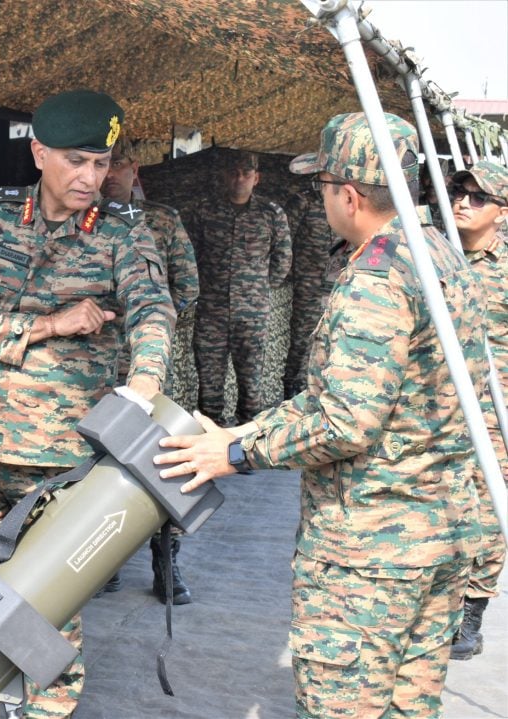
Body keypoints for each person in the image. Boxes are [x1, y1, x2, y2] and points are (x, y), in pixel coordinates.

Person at [155, 112, 488, 717]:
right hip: (440, 533)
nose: (322, 199)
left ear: (350, 194)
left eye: (324, 187)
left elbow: (346, 419)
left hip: (371, 554)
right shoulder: (437, 250)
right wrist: (244, 429)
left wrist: (234, 453)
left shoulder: (377, 279)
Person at [0, 89, 175, 718]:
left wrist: (144, 383)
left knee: (46, 605)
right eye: (75, 161)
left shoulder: (122, 232)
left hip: (57, 460)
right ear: (37, 152)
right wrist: (49, 326)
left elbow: (152, 311)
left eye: (100, 162)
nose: (90, 177)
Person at [98, 134, 198, 604]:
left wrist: (149, 334)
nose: (111, 174)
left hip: (147, 368)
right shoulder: (77, 221)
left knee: (160, 462)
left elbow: (188, 286)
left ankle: (165, 560)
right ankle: (103, 561)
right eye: (104, 164)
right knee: (96, 467)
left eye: (120, 164)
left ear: (134, 168)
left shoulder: (161, 220)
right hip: (93, 369)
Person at [448, 159, 508, 660]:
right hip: (437, 406)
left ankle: (471, 612)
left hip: (495, 411)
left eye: (478, 197)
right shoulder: (435, 252)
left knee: (488, 513)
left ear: (503, 212)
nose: (463, 202)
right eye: (458, 192)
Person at [188, 150, 291, 424]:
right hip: (212, 312)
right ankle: (209, 436)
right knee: (209, 382)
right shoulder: (205, 210)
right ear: (224, 175)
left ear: (256, 178)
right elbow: (191, 255)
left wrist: (260, 288)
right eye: (234, 172)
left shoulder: (271, 214)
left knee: (251, 383)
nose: (239, 178)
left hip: (253, 314)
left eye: (246, 173)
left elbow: (283, 257)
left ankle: (247, 442)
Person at [281, 188, 345, 398]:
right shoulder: (303, 201)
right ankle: (293, 390)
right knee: (302, 338)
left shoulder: (343, 200)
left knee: (333, 337)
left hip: (337, 281)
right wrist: (290, 273)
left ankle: (322, 390)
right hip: (308, 282)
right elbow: (284, 238)